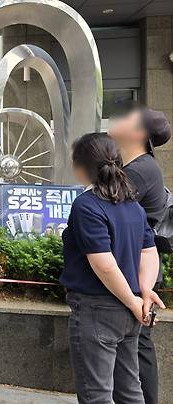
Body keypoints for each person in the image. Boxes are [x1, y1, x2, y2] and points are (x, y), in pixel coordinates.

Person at [60, 132, 164, 404]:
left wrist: (134, 301)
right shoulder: (132, 205)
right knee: (130, 391)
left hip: (97, 310)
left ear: (80, 166)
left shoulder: (86, 205)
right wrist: (144, 293)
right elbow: (149, 251)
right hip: (128, 311)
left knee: (97, 395)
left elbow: (104, 264)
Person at [108, 107, 170, 404]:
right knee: (134, 343)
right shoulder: (132, 166)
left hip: (137, 271)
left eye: (128, 119)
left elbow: (100, 209)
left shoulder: (140, 170)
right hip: (133, 268)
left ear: (140, 135)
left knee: (138, 343)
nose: (119, 119)